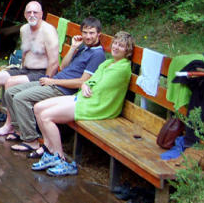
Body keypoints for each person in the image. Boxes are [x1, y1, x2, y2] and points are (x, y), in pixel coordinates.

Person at [30, 32, 135, 176]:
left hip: (96, 105)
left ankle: (60, 159)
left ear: (127, 51)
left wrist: (88, 86)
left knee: (47, 116)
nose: (116, 47)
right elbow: (92, 81)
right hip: (84, 97)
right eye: (115, 43)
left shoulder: (122, 68)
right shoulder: (107, 63)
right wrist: (85, 85)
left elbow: (102, 88)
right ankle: (50, 151)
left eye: (121, 46)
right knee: (38, 107)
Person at [3, 16, 107, 158]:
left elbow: (81, 82)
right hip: (54, 81)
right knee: (10, 92)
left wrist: (53, 82)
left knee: (20, 98)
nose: (87, 36)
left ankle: (31, 140)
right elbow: (63, 66)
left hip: (61, 89)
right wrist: (74, 47)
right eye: (85, 32)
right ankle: (20, 131)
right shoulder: (84, 49)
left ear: (98, 34)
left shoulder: (98, 55)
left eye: (91, 33)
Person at [0, 1, 59, 135]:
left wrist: (46, 81)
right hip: (25, 70)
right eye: (29, 12)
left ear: (41, 14)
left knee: (11, 82)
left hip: (41, 73)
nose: (32, 15)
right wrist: (17, 68)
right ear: (24, 15)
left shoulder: (48, 31)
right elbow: (24, 53)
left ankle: (9, 125)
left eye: (35, 12)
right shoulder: (24, 29)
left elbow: (54, 62)